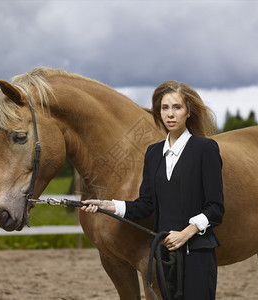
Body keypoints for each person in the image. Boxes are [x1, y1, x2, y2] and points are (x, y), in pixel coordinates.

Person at [81, 80, 225, 299]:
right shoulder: (153, 153)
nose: (170, 114)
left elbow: (215, 208)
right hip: (164, 255)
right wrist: (108, 205)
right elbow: (145, 204)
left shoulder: (205, 149)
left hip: (197, 253)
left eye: (177, 108)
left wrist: (185, 234)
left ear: (188, 112)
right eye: (165, 108)